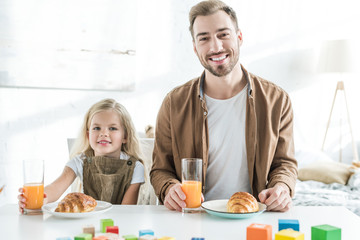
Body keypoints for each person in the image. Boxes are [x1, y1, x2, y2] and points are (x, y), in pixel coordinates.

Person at [150, 0, 298, 212]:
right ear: (194, 47)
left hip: (254, 216)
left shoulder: (277, 100)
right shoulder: (173, 103)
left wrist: (282, 187)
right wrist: (169, 188)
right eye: (204, 38)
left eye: (223, 34)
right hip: (194, 217)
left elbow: (284, 164)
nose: (215, 47)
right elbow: (160, 170)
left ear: (239, 37)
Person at [18, 98, 144, 213]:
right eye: (97, 128)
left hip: (119, 224)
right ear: (88, 135)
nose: (104, 133)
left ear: (125, 136)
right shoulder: (80, 161)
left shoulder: (135, 167)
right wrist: (40, 199)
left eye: (112, 128)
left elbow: (127, 210)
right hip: (86, 224)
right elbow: (55, 188)